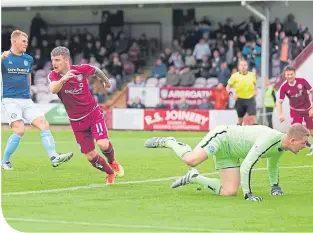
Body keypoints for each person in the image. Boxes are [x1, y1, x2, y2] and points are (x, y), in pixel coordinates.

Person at [144, 123, 309, 201]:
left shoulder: (281, 146)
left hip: (231, 154)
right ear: (293, 139)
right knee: (191, 159)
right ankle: (170, 141)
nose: (305, 146)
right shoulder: (269, 139)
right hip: (223, 138)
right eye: (304, 143)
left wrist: (275, 187)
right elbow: (247, 166)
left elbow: (273, 164)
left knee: (229, 191)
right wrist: (248, 195)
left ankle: (193, 177)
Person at [48, 46, 124, 184]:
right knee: (90, 156)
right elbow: (53, 89)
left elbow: (96, 70)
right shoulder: (54, 75)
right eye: (52, 60)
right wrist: (63, 79)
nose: (54, 63)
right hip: (76, 121)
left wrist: (106, 80)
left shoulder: (80, 70)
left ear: (66, 60)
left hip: (93, 113)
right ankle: (109, 172)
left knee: (103, 144)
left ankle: (113, 162)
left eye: (57, 60)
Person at [1, 30, 73, 170]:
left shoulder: (28, 59)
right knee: (20, 130)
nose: (26, 44)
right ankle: (4, 161)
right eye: (23, 41)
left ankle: (54, 157)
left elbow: (28, 75)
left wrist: (29, 91)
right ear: (14, 42)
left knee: (44, 124)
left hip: (26, 100)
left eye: (26, 42)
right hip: (10, 100)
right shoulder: (4, 58)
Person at [277, 65, 313, 155]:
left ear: (295, 74)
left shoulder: (303, 82)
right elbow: (279, 102)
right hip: (295, 111)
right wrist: (280, 114)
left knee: (311, 130)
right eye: (287, 74)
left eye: (291, 74)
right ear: (285, 75)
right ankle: (310, 146)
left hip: (308, 109)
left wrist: (312, 108)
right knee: (296, 130)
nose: (289, 76)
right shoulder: (283, 87)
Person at [226, 59, 257, 125]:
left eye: (245, 65)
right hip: (240, 99)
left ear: (247, 66)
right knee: (240, 120)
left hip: (250, 99)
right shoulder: (234, 76)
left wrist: (255, 91)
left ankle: (256, 134)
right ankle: (238, 134)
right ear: (238, 67)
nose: (243, 67)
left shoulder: (252, 75)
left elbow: (254, 85)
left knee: (253, 118)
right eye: (241, 65)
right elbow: (228, 87)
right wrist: (232, 95)